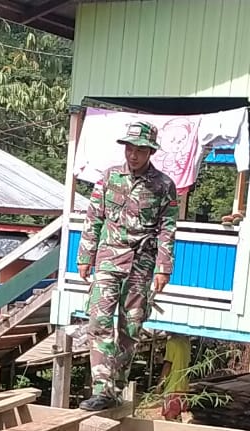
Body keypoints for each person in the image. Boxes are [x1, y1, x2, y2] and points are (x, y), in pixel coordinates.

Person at [76, 121, 179, 411]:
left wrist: (164, 267)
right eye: (130, 149)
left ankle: (114, 390)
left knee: (130, 328)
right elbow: (94, 217)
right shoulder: (109, 177)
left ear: (151, 152)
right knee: (98, 322)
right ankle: (101, 389)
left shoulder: (163, 185)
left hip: (141, 264)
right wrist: (85, 257)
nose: (133, 155)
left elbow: (168, 228)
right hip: (108, 259)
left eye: (140, 150)